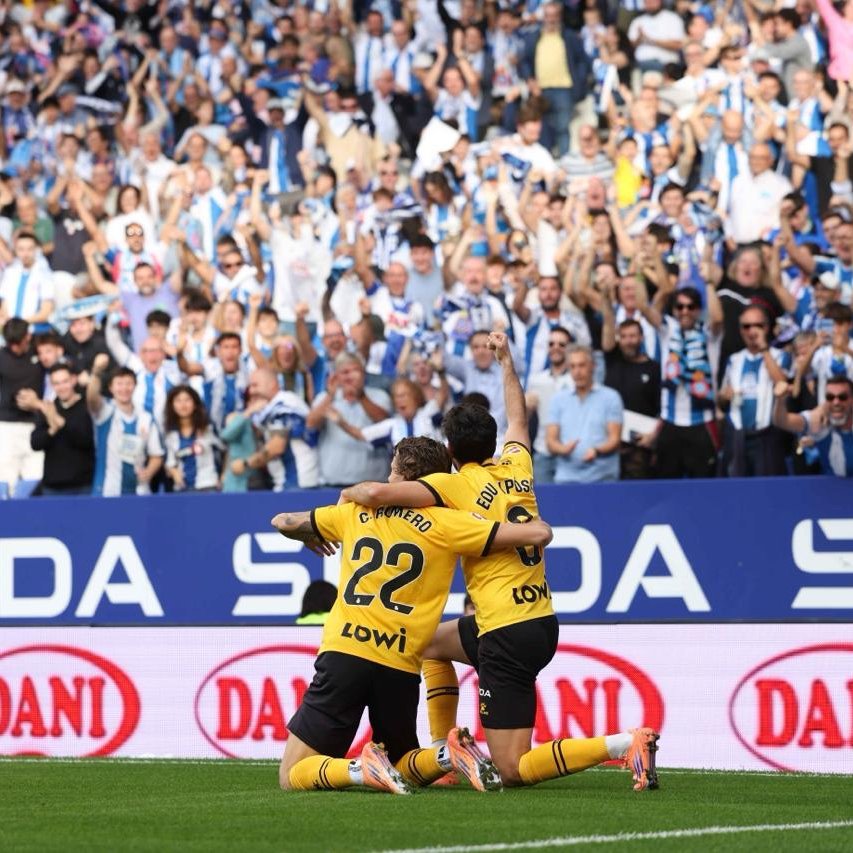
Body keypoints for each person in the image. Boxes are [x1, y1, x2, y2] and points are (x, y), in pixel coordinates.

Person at [342, 333, 659, 792]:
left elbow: (377, 493)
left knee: (511, 768)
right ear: (494, 442)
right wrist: (507, 363)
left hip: (505, 632)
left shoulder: (451, 485)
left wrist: (350, 492)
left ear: (450, 452)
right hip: (538, 619)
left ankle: (624, 742)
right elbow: (519, 417)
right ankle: (444, 755)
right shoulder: (517, 465)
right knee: (428, 644)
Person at [272, 435, 554, 794]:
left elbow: (283, 520)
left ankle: (359, 768)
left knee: (292, 774)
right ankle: (447, 755)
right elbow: (534, 533)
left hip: (346, 653)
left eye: (392, 470)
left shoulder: (357, 511)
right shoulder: (450, 522)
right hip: (401, 665)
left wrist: (306, 535)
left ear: (403, 475)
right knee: (404, 761)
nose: (388, 477)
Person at [718, 306, 791, 477]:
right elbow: (721, 401)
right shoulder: (734, 359)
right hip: (737, 435)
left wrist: (764, 349)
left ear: (767, 328)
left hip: (766, 435)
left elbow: (782, 384)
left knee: (767, 487)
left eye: (758, 325)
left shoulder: (779, 356)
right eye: (746, 326)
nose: (752, 331)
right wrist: (724, 397)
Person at [307, 352, 392, 487]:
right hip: (333, 483)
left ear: (364, 373)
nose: (349, 376)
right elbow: (311, 424)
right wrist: (330, 395)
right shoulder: (325, 398)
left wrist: (361, 395)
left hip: (375, 483)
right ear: (336, 375)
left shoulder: (379, 395)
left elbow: (384, 422)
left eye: (354, 371)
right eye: (344, 372)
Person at [86, 353, 164, 497]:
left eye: (128, 383)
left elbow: (156, 455)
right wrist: (96, 372)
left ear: (135, 386)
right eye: (119, 384)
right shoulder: (105, 411)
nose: (124, 389)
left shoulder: (146, 418)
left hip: (139, 491)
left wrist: (149, 472)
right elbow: (92, 399)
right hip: (107, 491)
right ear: (111, 388)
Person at [546, 344, 624, 483]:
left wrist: (597, 450)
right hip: (567, 478)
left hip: (603, 478)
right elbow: (550, 441)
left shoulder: (611, 397)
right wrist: (563, 449)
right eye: (572, 366)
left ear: (593, 366)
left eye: (582, 365)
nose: (577, 371)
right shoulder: (557, 399)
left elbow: (615, 439)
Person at [21, 362, 94, 495]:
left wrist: (62, 423)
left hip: (83, 485)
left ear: (73, 380)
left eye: (65, 381)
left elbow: (86, 440)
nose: (61, 387)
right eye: (56, 383)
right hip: (52, 486)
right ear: (52, 385)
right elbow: (35, 444)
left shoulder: (86, 406)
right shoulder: (49, 408)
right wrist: (52, 430)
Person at [773, 375, 853, 477]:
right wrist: (780, 400)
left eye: (843, 397)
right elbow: (783, 421)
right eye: (830, 397)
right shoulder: (820, 422)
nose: (836, 402)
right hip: (832, 485)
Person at [525, 325, 574, 483]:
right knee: (542, 497)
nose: (555, 348)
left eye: (562, 344)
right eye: (551, 344)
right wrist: (527, 408)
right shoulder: (536, 380)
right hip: (542, 450)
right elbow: (525, 419)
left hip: (571, 451)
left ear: (570, 348)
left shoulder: (577, 380)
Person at [0, 317, 44, 494]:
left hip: (35, 424)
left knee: (35, 476)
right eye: (12, 344)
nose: (15, 348)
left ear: (28, 336)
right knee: (5, 477)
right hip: (6, 425)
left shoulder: (38, 352)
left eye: (19, 342)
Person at [162, 385, 222, 493]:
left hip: (208, 485)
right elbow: (169, 462)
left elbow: (225, 451)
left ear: (195, 404)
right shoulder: (170, 434)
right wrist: (174, 472)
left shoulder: (208, 428)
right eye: (178, 401)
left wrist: (223, 477)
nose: (183, 405)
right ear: (172, 405)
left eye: (187, 400)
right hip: (182, 489)